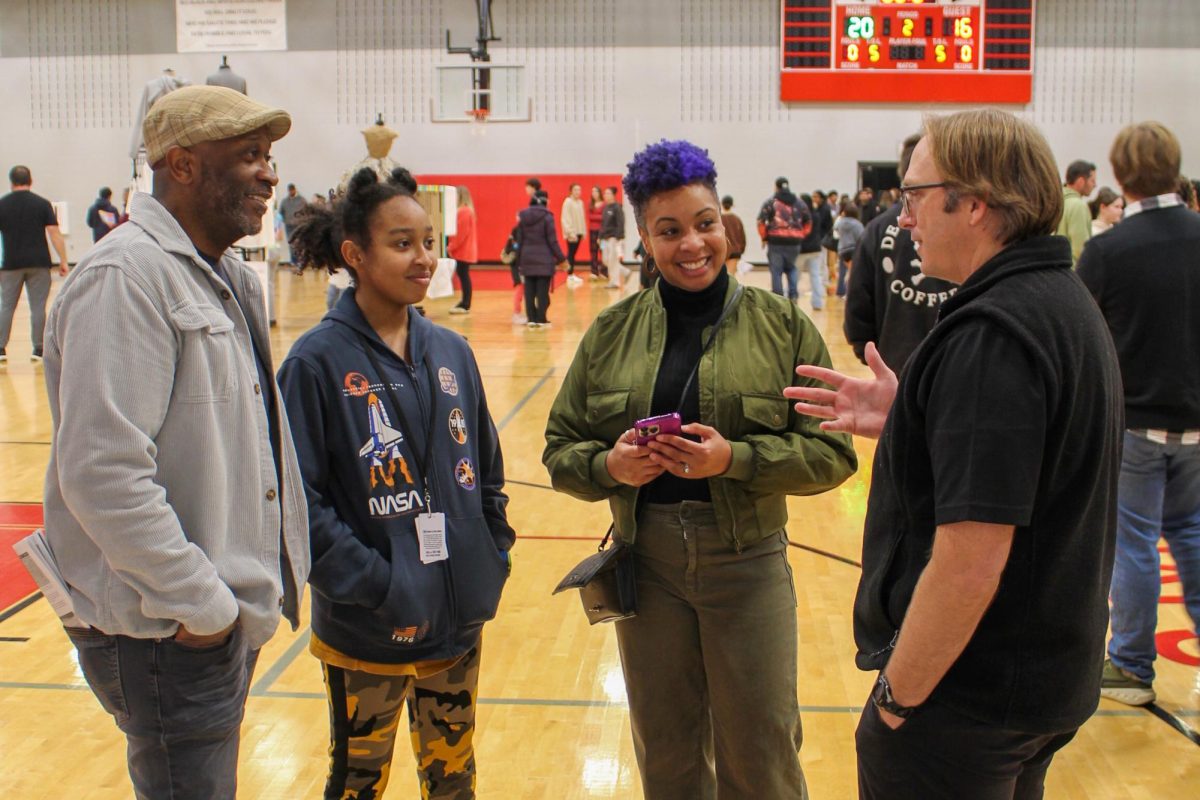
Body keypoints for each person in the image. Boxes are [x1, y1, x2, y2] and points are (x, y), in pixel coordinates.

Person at [786, 109, 1122, 799]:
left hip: (969, 697)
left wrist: (897, 703)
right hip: (1041, 678)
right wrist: (917, 415)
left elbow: (970, 562)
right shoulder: (1058, 301)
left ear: (972, 203)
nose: (901, 217)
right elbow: (1033, 457)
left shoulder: (992, 336)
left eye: (912, 195)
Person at [544, 139, 856, 800]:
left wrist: (734, 459)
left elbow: (832, 453)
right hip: (646, 567)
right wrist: (612, 466)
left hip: (747, 565)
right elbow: (561, 449)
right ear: (646, 240)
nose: (692, 244)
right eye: (670, 231)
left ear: (725, 224)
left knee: (762, 752)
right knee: (668, 752)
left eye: (705, 223)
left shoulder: (784, 328)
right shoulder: (610, 334)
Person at [40, 85, 310, 800]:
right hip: (169, 633)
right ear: (182, 165)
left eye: (270, 156)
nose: (269, 174)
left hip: (214, 620)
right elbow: (103, 474)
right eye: (249, 155)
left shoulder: (225, 276)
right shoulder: (125, 278)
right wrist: (202, 606)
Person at [279, 166, 514, 799]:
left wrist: (489, 553)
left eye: (429, 241)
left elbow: (485, 467)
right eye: (403, 243)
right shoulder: (315, 361)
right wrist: (381, 583)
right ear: (355, 254)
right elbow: (299, 504)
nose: (424, 259)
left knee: (454, 779)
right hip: (368, 626)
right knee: (358, 784)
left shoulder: (451, 350)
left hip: (457, 615)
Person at [1076, 122, 1200, 708]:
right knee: (1193, 539)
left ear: (1120, 175)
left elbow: (1080, 332)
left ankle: (1130, 666)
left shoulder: (1108, 250)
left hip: (1136, 423)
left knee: (1133, 544)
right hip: (1198, 425)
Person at [844, 133, 956, 373]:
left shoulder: (876, 229)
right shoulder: (962, 228)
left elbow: (858, 314)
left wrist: (880, 356)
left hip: (900, 367)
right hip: (944, 368)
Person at [0, 165, 69, 363]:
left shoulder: (2, 204)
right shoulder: (42, 204)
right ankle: (38, 349)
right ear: (31, 181)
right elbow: (54, 233)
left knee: (6, 306)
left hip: (10, 264)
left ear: (11, 182)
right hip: (39, 262)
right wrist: (63, 260)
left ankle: (1, 348)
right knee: (38, 306)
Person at [757, 176, 812, 306]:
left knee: (776, 270)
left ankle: (778, 298)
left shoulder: (771, 202)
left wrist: (764, 237)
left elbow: (761, 221)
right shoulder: (800, 203)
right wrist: (801, 234)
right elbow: (808, 221)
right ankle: (793, 295)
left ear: (776, 187)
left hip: (776, 241)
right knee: (792, 268)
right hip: (794, 242)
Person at [516, 189, 567, 327]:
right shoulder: (547, 217)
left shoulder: (523, 217)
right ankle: (541, 319)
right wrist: (562, 259)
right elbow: (553, 241)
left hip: (527, 259)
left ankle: (531, 319)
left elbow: (519, 241)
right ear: (546, 200)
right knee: (542, 292)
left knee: (529, 292)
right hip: (544, 260)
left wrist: (518, 261)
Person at [1056, 158, 1097, 264]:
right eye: (1092, 181)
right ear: (1080, 181)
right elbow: (1081, 251)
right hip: (1073, 272)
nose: (1095, 185)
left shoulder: (1055, 201)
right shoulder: (1078, 206)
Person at [448, 184, 478, 314]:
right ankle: (464, 302)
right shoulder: (467, 211)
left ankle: (465, 303)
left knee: (463, 275)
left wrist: (451, 247)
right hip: (465, 250)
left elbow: (460, 233)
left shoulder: (463, 211)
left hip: (463, 250)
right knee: (463, 275)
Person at [833, 202, 864, 298]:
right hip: (853, 250)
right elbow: (861, 237)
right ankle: (850, 292)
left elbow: (835, 229)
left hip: (842, 250)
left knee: (842, 272)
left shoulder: (840, 223)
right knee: (852, 272)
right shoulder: (857, 224)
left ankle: (840, 291)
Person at [600, 185, 627, 291]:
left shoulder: (617, 208)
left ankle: (614, 282)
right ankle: (625, 272)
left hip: (614, 238)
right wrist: (600, 237)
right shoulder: (606, 208)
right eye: (605, 193)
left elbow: (621, 223)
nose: (606, 195)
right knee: (606, 260)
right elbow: (603, 224)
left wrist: (619, 237)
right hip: (605, 239)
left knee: (612, 260)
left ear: (613, 195)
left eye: (608, 193)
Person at [562, 183, 587, 287]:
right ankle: (569, 274)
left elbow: (582, 218)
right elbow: (565, 218)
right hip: (572, 233)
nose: (578, 192)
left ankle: (571, 273)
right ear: (571, 191)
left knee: (573, 254)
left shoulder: (580, 202)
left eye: (579, 190)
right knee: (571, 254)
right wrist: (570, 232)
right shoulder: (568, 202)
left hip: (579, 232)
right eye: (576, 190)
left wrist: (583, 231)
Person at [719, 194, 748, 274]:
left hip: (722, 251)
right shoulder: (737, 219)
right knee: (731, 276)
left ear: (721, 204)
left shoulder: (718, 219)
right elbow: (742, 237)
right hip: (735, 251)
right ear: (732, 205)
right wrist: (741, 250)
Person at [587, 184, 605, 279]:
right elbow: (590, 217)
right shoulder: (590, 203)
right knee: (593, 251)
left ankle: (603, 271)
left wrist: (596, 217)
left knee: (603, 250)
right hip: (592, 231)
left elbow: (604, 218)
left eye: (596, 191)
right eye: (593, 191)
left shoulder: (604, 204)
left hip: (602, 232)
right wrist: (599, 217)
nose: (594, 193)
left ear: (599, 193)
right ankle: (594, 271)